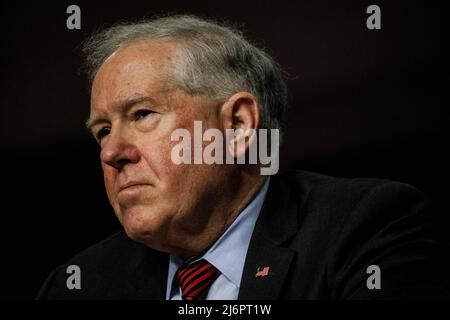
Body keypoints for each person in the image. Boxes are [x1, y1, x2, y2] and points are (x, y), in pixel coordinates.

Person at [37, 14, 448, 300]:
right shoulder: (79, 284)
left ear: (236, 126)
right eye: (102, 131)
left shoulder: (365, 226)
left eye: (142, 114)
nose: (111, 152)